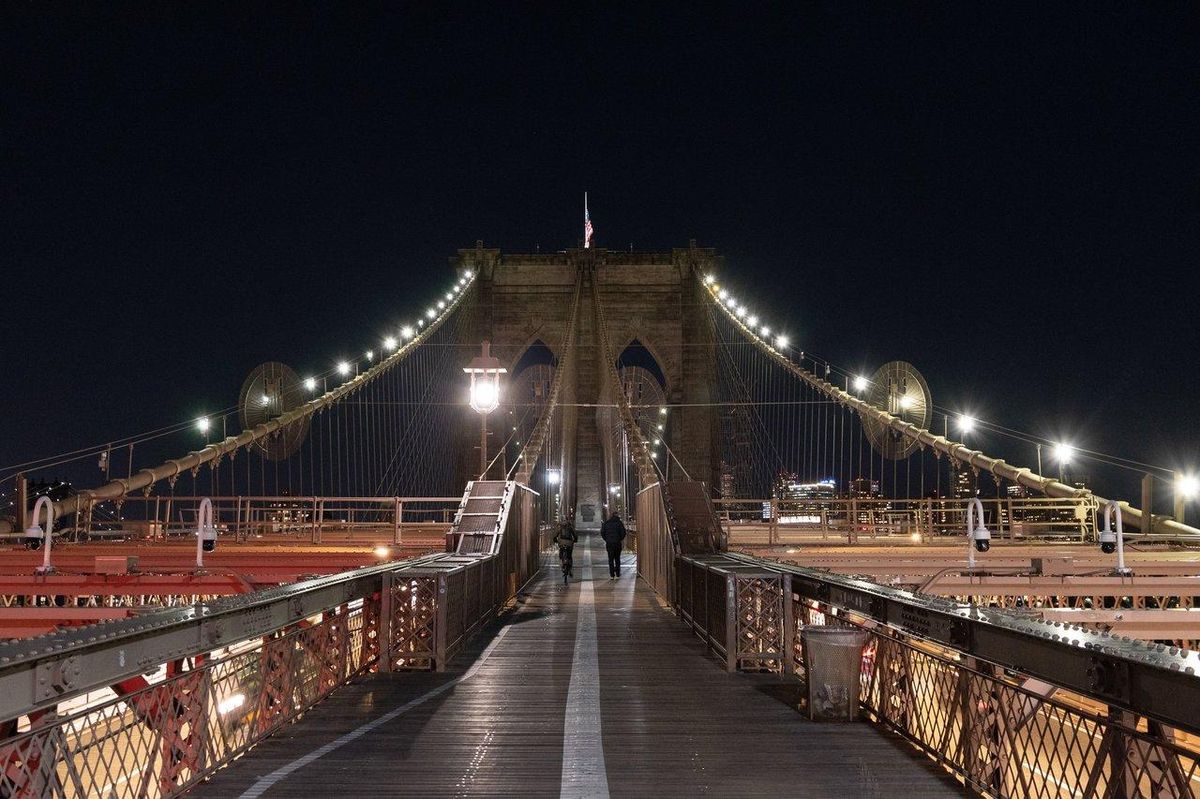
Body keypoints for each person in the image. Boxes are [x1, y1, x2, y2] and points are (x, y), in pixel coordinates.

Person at [600, 511, 627, 579]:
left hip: (609, 544)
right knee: (617, 559)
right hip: (617, 543)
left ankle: (612, 575)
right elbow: (623, 533)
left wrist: (607, 539)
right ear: (617, 516)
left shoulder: (607, 523)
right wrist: (619, 539)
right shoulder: (619, 523)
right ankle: (618, 574)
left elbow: (602, 532)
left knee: (610, 559)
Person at [554, 514, 577, 584]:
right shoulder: (570, 526)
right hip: (569, 543)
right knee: (569, 555)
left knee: (561, 554)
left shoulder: (559, 526)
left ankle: (563, 563)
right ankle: (570, 568)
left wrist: (555, 539)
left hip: (561, 543)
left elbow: (555, 535)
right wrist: (575, 539)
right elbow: (574, 534)